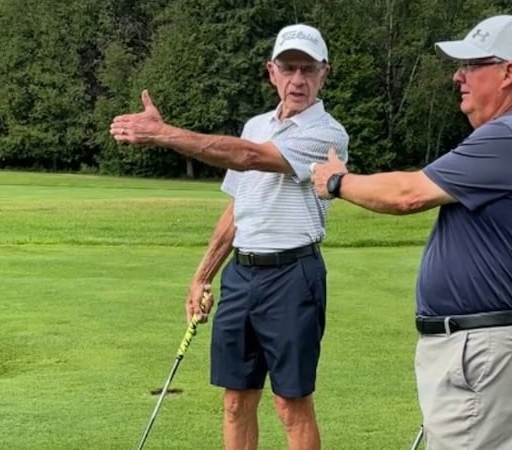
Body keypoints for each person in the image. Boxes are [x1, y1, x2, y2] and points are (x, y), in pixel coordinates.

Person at [312, 15, 512, 450]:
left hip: (480, 345)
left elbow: (408, 194)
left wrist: (337, 182)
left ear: (508, 73)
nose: (458, 75)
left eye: (471, 65)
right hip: (474, 343)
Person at [111, 24, 348, 450]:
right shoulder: (255, 124)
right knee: (236, 401)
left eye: (308, 69)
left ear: (324, 74)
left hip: (293, 275)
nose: (298, 80)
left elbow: (250, 158)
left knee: (291, 405)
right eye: (288, 68)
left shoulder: (328, 134)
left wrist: (164, 134)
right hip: (242, 275)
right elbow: (239, 206)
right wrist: (202, 275)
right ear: (271, 72)